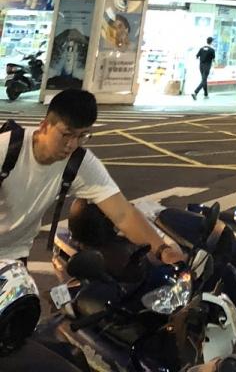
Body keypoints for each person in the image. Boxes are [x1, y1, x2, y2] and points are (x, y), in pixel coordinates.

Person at [0, 88, 183, 266]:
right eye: (66, 134)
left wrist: (163, 250)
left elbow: (122, 214)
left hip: (14, 254)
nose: (72, 144)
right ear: (44, 126)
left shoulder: (78, 162)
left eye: (82, 135)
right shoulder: (5, 150)